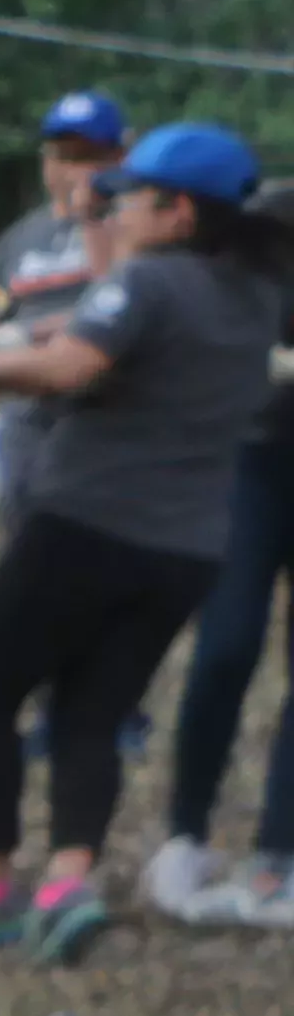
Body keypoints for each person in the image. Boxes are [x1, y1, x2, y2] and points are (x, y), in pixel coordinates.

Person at [0, 122, 294, 966]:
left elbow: (67, 369)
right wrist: (100, 234)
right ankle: (67, 885)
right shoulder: (251, 298)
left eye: (128, 196)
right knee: (89, 710)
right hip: (184, 546)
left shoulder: (155, 286)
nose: (110, 203)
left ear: (177, 214)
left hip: (85, 522)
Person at [146, 202, 294, 925]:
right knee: (224, 646)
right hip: (257, 459)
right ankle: (186, 830)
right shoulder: (269, 212)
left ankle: (280, 853)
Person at [0, 94, 123, 521]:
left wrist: (92, 218)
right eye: (61, 156)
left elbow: (124, 308)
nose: (73, 171)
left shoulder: (136, 228)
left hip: (105, 422)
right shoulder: (20, 239)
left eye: (88, 157)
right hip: (26, 420)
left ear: (120, 158)